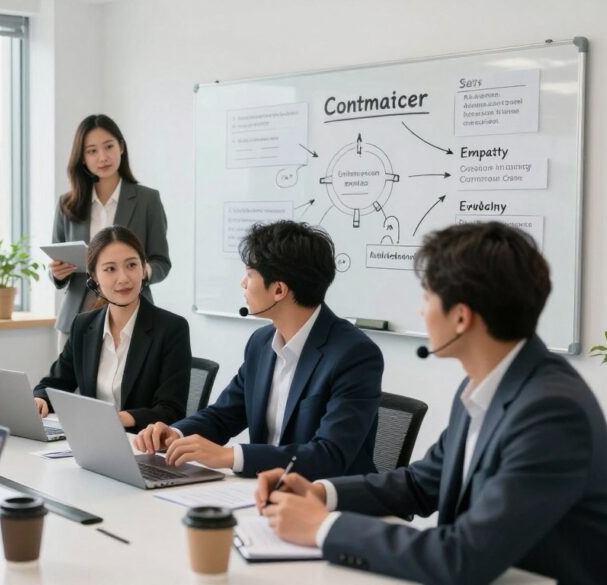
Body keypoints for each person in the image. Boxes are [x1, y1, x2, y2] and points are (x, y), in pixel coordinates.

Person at [257, 222, 607, 585]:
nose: (420, 313)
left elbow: (463, 556)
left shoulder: (551, 412)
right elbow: (419, 483)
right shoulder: (488, 385)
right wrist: (320, 492)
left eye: (427, 298)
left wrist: (323, 527)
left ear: (461, 317)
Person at [134, 221, 383, 478]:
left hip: (326, 502)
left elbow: (329, 455)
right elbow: (223, 415)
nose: (243, 283)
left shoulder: (354, 355)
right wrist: (176, 434)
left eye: (250, 274)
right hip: (262, 491)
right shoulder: (261, 343)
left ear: (278, 290)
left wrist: (230, 456)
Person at [33, 227, 190, 432]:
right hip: (92, 440)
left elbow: (171, 410)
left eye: (132, 265)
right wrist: (40, 398)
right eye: (110, 269)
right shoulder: (83, 325)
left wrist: (116, 418)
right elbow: (54, 383)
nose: (123, 278)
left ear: (143, 269)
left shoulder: (171, 328)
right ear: (94, 277)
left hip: (141, 444)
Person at [50, 114, 171, 348]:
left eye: (108, 146)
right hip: (76, 319)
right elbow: (56, 261)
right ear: (82, 158)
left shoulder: (147, 200)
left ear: (121, 147)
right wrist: (57, 273)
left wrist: (143, 270)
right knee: (66, 385)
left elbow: (162, 262)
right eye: (92, 151)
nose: (102, 157)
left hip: (132, 317)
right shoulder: (67, 203)